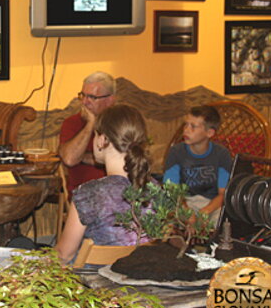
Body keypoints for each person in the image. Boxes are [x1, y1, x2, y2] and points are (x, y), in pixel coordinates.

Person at [55, 105, 152, 265]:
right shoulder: (157, 191)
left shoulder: (89, 194)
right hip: (142, 280)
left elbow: (63, 255)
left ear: (102, 140)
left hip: (94, 285)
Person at [163, 105, 232, 225]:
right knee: (169, 213)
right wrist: (187, 211)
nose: (186, 130)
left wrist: (205, 211)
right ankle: (178, 239)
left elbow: (223, 194)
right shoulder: (176, 152)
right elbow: (171, 190)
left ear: (209, 133)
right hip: (183, 202)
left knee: (222, 218)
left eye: (193, 126)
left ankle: (211, 241)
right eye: (186, 124)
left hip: (212, 204)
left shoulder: (222, 154)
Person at [58, 71, 116, 195]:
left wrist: (84, 157)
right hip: (85, 196)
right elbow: (69, 159)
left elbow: (130, 158)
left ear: (110, 100)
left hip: (118, 192)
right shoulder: (72, 123)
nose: (84, 102)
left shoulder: (121, 122)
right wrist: (90, 124)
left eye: (92, 97)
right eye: (82, 95)